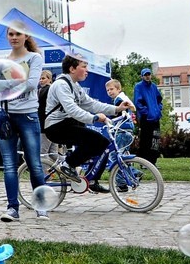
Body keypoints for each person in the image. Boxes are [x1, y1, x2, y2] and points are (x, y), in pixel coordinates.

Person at [44, 56, 133, 192]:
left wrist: (116, 109)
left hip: (68, 124)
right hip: (56, 127)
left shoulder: (75, 85)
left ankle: (91, 180)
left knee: (102, 143)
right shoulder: (61, 85)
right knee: (97, 140)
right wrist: (94, 118)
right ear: (72, 69)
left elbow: (91, 103)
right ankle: (67, 164)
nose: (87, 71)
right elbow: (72, 109)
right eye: (84, 67)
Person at [0, 27, 48, 222]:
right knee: (9, 165)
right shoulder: (0, 59)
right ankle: (12, 208)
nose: (14, 37)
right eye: (11, 34)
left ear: (26, 36)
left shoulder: (34, 58)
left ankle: (41, 207)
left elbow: (33, 84)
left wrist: (6, 82)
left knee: (35, 164)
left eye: (18, 34)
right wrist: (19, 80)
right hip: (5, 115)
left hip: (28, 116)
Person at [105, 78, 136, 191]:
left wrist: (109, 120)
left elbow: (119, 114)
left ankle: (123, 182)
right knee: (123, 156)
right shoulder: (124, 98)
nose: (109, 92)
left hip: (122, 131)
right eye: (107, 90)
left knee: (114, 157)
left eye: (112, 89)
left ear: (119, 89)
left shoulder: (119, 100)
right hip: (128, 131)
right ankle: (131, 176)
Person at [133, 68, 163, 165]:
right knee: (145, 140)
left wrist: (158, 110)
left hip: (155, 117)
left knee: (155, 140)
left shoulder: (154, 86)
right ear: (142, 76)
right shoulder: (138, 87)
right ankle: (144, 162)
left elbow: (159, 99)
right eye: (145, 75)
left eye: (149, 74)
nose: (147, 76)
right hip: (146, 118)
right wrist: (147, 112)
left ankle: (153, 161)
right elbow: (137, 103)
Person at [38, 70, 59, 159]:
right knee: (53, 153)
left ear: (49, 79)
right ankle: (71, 166)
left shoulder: (46, 90)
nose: (40, 80)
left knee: (43, 152)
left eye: (43, 78)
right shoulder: (51, 89)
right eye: (39, 79)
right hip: (53, 124)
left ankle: (45, 173)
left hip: (45, 125)